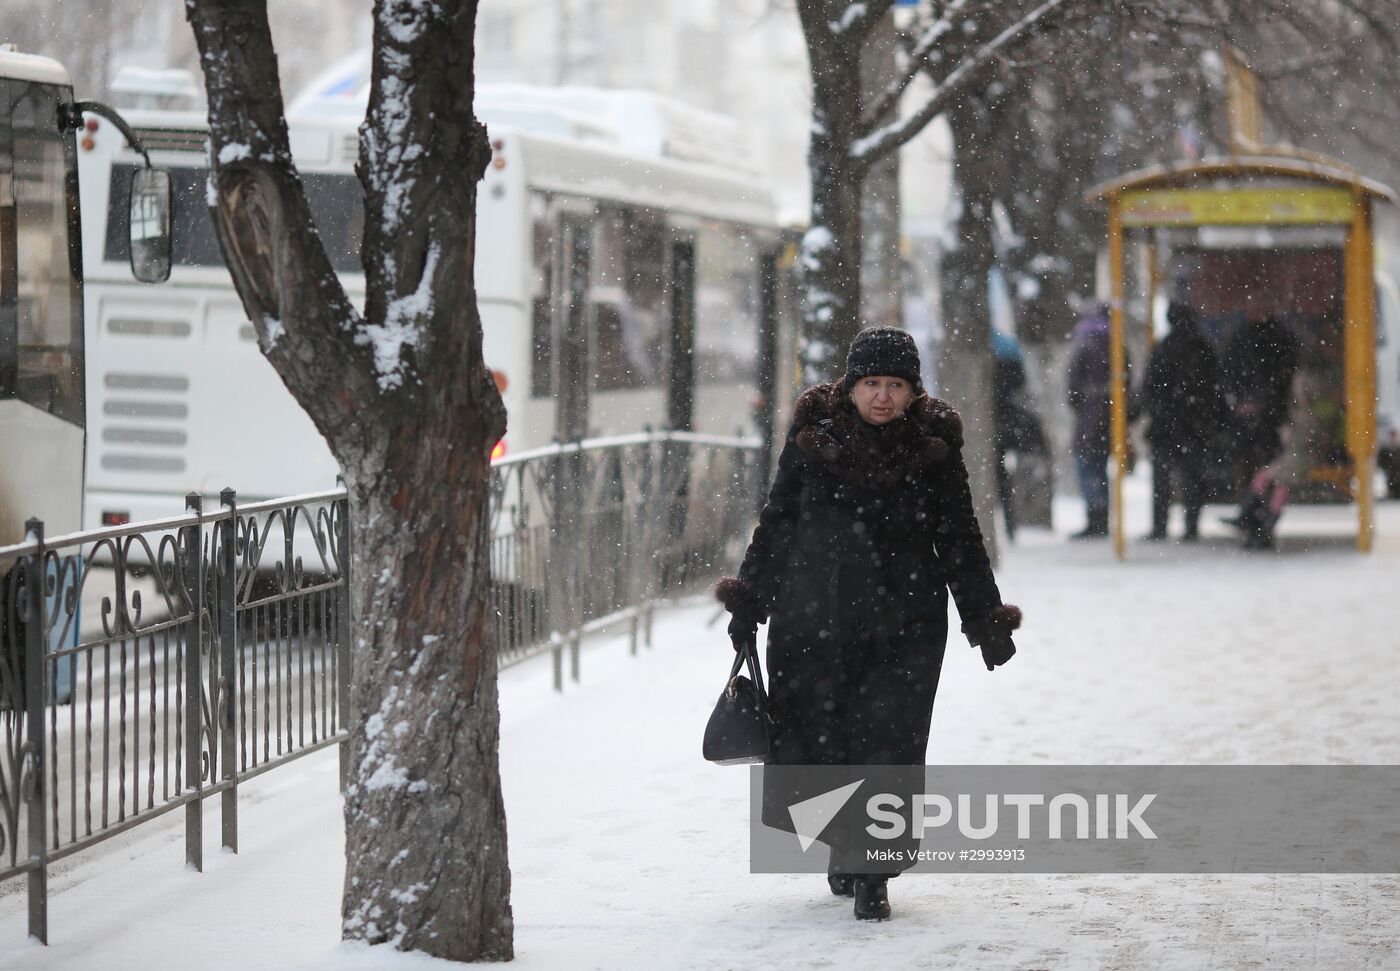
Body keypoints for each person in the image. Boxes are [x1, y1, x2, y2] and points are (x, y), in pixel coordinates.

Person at [715, 326, 1021, 922]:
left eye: (896, 385)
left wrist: (986, 621)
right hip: (813, 619)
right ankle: (840, 846)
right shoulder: (812, 439)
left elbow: (959, 537)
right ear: (851, 386)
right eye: (872, 383)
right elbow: (777, 522)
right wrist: (749, 602)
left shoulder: (934, 447)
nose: (883, 396)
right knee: (820, 741)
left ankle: (873, 871)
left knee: (889, 745)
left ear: (912, 391)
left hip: (905, 622)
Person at [1136, 303, 1227, 541]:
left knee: (1162, 480)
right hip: (1194, 424)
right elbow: (1215, 389)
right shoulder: (1202, 348)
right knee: (1192, 478)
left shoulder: (1163, 349)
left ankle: (1160, 526)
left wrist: (1154, 409)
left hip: (1165, 425)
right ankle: (1191, 526)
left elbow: (1149, 387)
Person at [1226, 366, 1334, 549]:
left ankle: (1258, 523)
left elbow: (1309, 442)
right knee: (1268, 476)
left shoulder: (1314, 413)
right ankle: (1253, 520)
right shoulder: (1304, 411)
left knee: (1280, 481)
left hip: (1302, 458)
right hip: (1294, 457)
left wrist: (1291, 436)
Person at [1221, 314, 1299, 492]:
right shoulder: (1279, 340)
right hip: (1270, 413)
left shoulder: (1242, 340)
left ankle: (1252, 497)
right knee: (1266, 457)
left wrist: (1241, 400)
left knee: (1250, 457)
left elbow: (1228, 372)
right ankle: (1259, 497)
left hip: (1257, 413)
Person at [1065, 302, 1114, 538]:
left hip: (1088, 417)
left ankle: (1094, 517)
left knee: (1087, 467)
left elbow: (1072, 382)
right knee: (1101, 468)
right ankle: (1102, 517)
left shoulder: (1085, 344)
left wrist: (1081, 403)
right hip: (1110, 417)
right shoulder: (1116, 343)